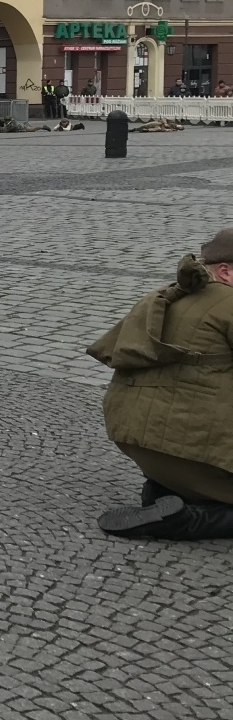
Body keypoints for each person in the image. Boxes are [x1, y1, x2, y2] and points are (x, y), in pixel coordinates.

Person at [88, 229, 233, 540]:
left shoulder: (168, 293)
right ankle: (186, 520)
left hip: (138, 441)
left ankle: (164, 492)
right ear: (226, 271)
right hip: (193, 454)